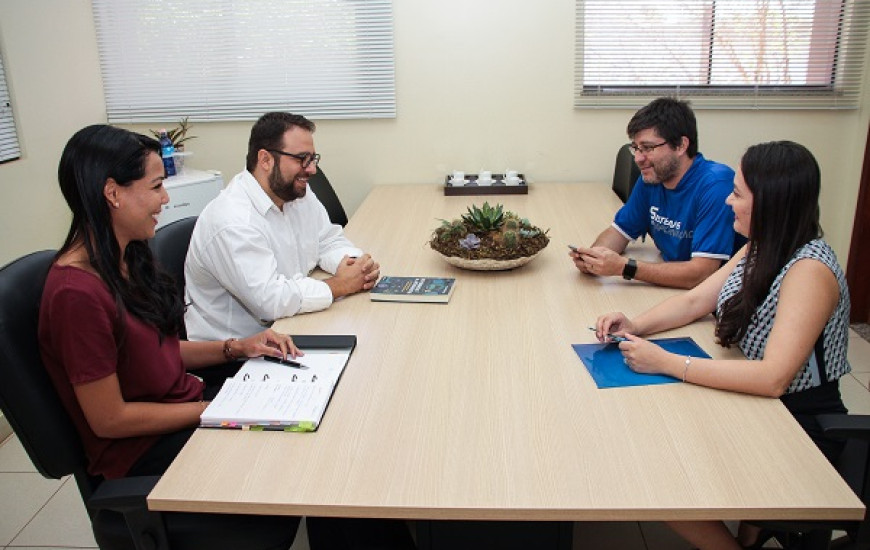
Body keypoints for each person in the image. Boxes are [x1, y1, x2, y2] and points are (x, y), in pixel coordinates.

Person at [594, 141, 851, 550]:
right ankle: (748, 532)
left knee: (658, 476)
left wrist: (666, 362)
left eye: (739, 194)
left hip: (799, 426)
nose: (729, 201)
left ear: (770, 202)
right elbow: (697, 299)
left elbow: (772, 379)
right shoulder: (762, 244)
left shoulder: (810, 270)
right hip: (757, 403)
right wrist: (636, 324)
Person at [39, 124, 302, 481]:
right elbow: (110, 419)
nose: (165, 198)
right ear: (113, 193)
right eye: (156, 186)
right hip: (146, 451)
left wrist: (238, 347)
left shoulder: (126, 258)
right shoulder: (76, 295)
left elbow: (153, 350)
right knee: (302, 452)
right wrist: (216, 409)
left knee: (303, 401)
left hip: (183, 407)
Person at [184, 112, 380, 341]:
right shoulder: (233, 220)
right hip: (238, 352)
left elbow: (327, 240)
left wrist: (356, 267)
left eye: (313, 158)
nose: (312, 170)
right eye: (301, 159)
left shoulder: (295, 193)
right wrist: (340, 285)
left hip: (290, 326)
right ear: (265, 160)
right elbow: (269, 300)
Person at [570, 97, 742, 289]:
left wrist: (625, 268)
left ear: (681, 145)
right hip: (673, 287)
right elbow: (618, 232)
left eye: (648, 148)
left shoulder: (716, 185)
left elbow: (701, 273)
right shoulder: (652, 178)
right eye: (635, 148)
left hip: (716, 298)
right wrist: (594, 258)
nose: (638, 158)